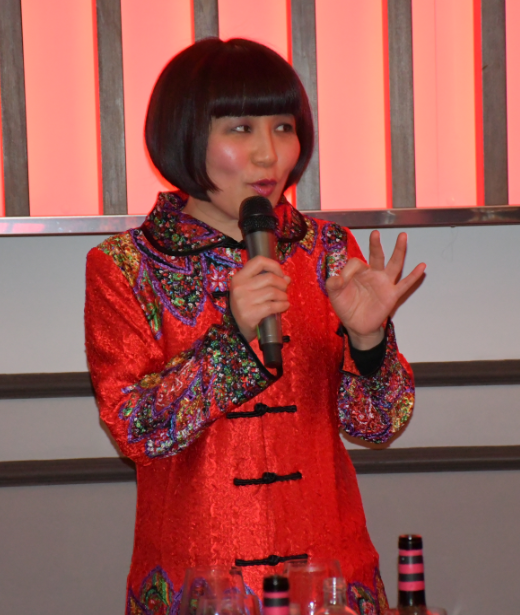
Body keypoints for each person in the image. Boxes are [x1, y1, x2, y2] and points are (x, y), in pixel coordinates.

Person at [85, 37, 425, 615]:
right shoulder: (127, 267)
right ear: (183, 135)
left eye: (283, 128)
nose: (269, 155)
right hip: (198, 584)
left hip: (328, 579)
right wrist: (233, 342)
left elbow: (378, 423)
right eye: (240, 129)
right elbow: (136, 432)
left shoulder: (327, 251)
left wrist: (369, 343)